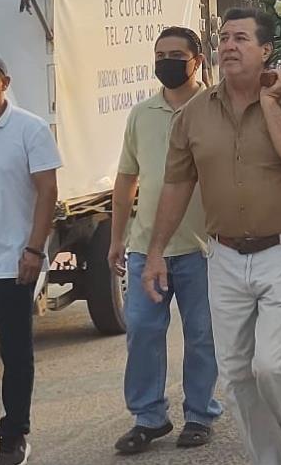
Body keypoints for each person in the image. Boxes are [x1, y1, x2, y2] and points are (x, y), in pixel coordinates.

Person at [142, 8, 281, 465]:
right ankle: (269, 458)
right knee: (238, 371)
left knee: (275, 363)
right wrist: (156, 251)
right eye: (224, 38)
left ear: (266, 51)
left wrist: (269, 102)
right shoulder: (193, 114)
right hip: (223, 255)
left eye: (241, 38)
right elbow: (177, 184)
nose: (228, 46)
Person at [108, 28, 222, 454]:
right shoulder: (142, 113)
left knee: (202, 334)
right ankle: (149, 417)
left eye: (176, 54)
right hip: (145, 248)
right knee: (141, 330)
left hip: (202, 248)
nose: (166, 62)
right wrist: (117, 237)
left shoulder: (215, 106)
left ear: (196, 61)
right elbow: (127, 179)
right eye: (160, 55)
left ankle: (200, 413)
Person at [0, 49, 60, 465]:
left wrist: (34, 250)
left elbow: (47, 192)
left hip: (12, 264)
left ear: (3, 80)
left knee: (16, 356)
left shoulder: (30, 128)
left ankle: (14, 434)